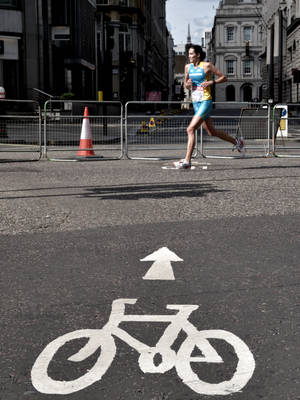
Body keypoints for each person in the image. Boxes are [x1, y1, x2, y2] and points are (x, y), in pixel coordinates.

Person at [174, 45, 245, 169]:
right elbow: (186, 84)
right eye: (188, 54)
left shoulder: (206, 66)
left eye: (191, 54)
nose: (189, 56)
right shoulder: (187, 67)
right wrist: (187, 84)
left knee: (190, 129)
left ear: (198, 55)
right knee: (212, 132)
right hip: (196, 102)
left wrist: (211, 82)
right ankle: (237, 142)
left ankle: (187, 161)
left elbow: (224, 77)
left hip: (206, 101)